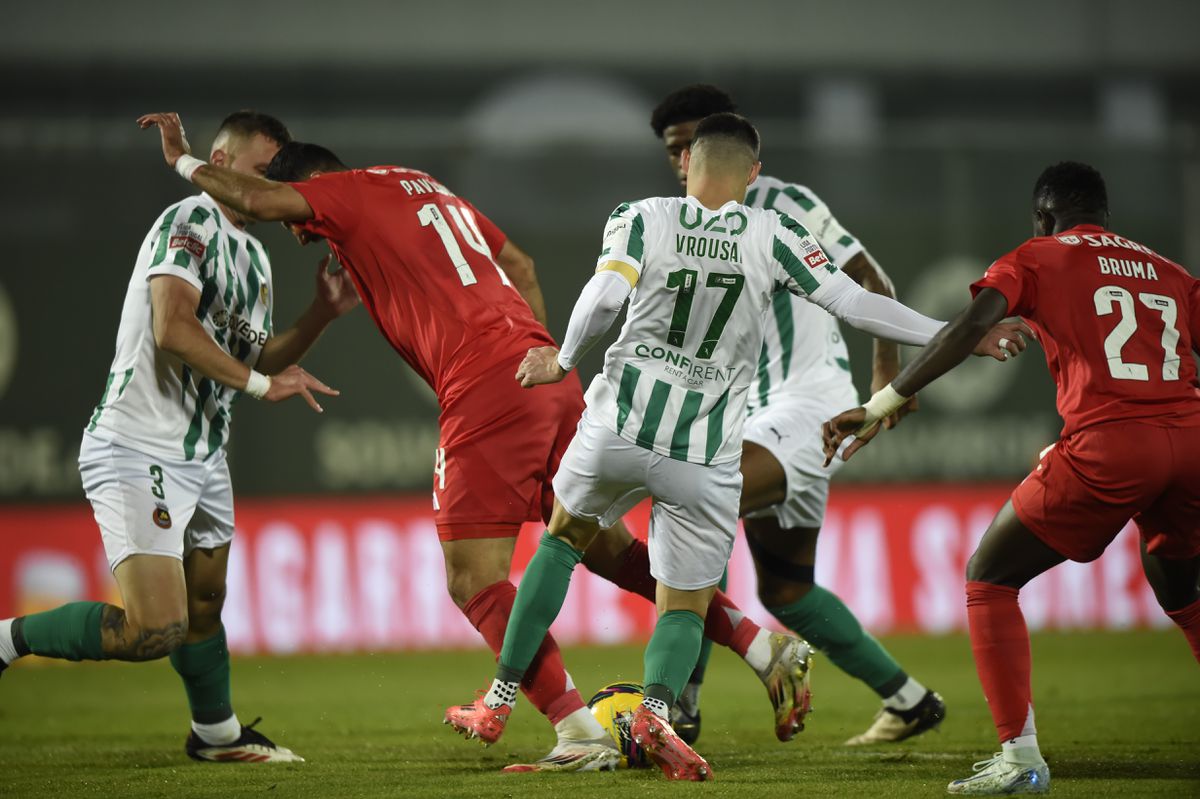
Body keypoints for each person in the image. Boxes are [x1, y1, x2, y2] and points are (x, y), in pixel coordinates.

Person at [133, 112, 821, 773]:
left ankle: (576, 728)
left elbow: (253, 194)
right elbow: (517, 262)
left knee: (473, 576)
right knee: (603, 545)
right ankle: (761, 646)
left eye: (297, 221)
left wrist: (182, 160)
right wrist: (538, 360)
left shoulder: (340, 194)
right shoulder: (420, 184)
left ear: (311, 187)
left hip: (485, 385)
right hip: (541, 370)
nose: (299, 234)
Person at [447, 113, 1027, 781]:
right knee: (685, 600)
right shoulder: (773, 233)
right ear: (753, 174)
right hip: (704, 452)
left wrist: (563, 356)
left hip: (619, 426)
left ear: (687, 163)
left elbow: (604, 296)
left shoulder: (640, 216)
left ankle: (496, 702)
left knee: (561, 541)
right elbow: (854, 300)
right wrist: (961, 332)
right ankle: (659, 711)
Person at [821, 161, 1200, 795]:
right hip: (1191, 443)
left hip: (1110, 446)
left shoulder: (1039, 255)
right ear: (1104, 214)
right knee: (1182, 589)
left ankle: (1019, 758)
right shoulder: (1171, 271)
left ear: (1044, 218)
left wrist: (883, 400)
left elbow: (969, 326)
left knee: (988, 576)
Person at [0, 111, 355, 763]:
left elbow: (257, 353)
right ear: (218, 160)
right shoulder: (189, 223)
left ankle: (216, 735)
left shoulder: (253, 255)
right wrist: (254, 385)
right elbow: (172, 327)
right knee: (153, 628)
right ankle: (5, 641)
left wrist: (320, 316)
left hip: (203, 455)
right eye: (261, 169)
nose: (271, 185)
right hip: (139, 445)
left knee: (203, 604)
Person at [648, 84, 942, 745]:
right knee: (787, 592)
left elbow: (873, 282)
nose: (683, 161)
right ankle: (910, 698)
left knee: (697, 500)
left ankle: (680, 706)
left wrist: (885, 381)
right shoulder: (680, 224)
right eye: (673, 151)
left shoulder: (785, 202)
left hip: (808, 408)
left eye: (693, 145)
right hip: (756, 419)